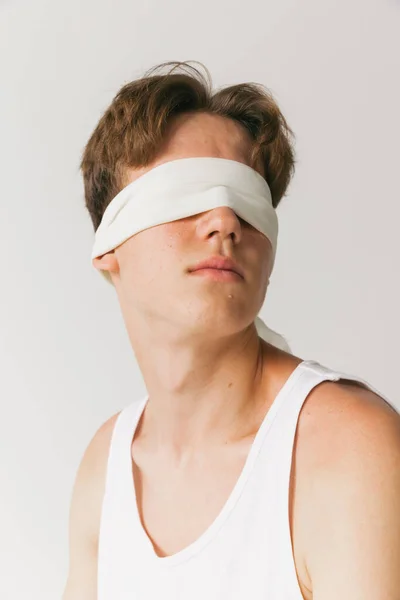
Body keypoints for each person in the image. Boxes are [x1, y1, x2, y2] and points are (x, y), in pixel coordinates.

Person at [62, 61, 400, 600]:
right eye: (185, 194)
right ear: (108, 245)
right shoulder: (106, 466)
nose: (225, 220)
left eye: (247, 199)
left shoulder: (345, 450)